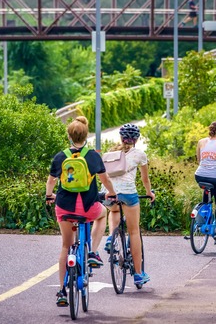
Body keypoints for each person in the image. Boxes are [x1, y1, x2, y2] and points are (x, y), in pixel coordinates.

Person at [45, 116, 118, 307]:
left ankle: (62, 290)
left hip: (64, 206)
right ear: (86, 135)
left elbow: (51, 181)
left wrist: (49, 195)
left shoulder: (60, 156)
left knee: (65, 246)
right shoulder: (92, 155)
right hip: (88, 206)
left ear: (69, 136)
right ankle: (92, 252)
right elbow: (105, 179)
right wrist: (111, 192)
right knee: (103, 214)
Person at [103, 123, 155, 286]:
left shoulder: (110, 153)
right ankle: (138, 274)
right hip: (128, 194)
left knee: (114, 211)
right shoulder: (139, 154)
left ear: (121, 138)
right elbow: (145, 179)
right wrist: (149, 193)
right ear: (136, 139)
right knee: (134, 232)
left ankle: (112, 237)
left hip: (108, 192)